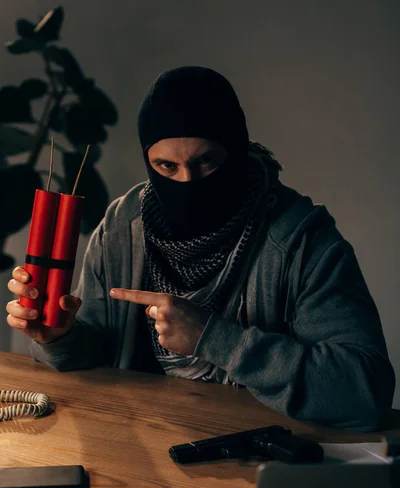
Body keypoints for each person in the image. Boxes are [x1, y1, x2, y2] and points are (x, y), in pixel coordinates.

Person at [6, 66, 395, 431]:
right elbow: (94, 360)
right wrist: (59, 338)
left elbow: (365, 392)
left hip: (265, 459)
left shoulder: (300, 238)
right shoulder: (123, 226)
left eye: (206, 161)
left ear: (237, 150)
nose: (188, 183)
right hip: (143, 447)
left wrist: (214, 338)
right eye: (166, 168)